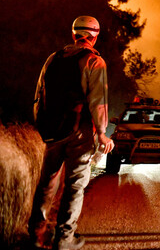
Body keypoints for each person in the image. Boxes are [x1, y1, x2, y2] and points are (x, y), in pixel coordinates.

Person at [28, 16, 114, 250]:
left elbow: (38, 95)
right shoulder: (94, 61)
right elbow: (98, 101)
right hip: (79, 131)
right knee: (75, 183)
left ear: (74, 34)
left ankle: (36, 234)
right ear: (94, 36)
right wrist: (103, 133)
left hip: (52, 130)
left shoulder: (53, 58)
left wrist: (42, 126)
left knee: (47, 182)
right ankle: (65, 238)